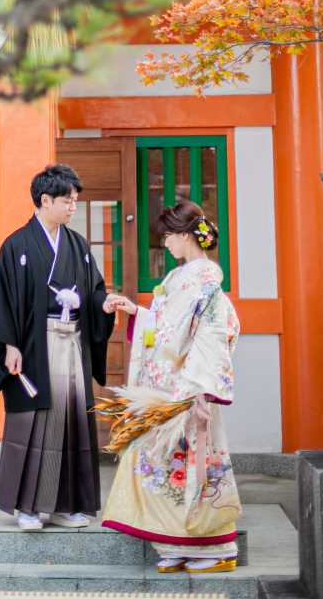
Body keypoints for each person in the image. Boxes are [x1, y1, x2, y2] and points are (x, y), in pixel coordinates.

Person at [101, 200, 242, 574]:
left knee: (192, 467)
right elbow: (163, 326)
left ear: (184, 235)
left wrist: (197, 387)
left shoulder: (206, 279)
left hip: (187, 389)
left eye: (168, 237)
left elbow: (213, 334)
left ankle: (213, 547)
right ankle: (177, 541)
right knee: (160, 468)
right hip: (165, 387)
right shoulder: (179, 277)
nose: (165, 244)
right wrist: (135, 312)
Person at [0, 162, 119, 530]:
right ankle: (28, 507)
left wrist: (102, 305)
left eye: (75, 200)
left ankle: (64, 506)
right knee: (35, 423)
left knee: (71, 421)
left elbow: (93, 292)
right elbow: (2, 301)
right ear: (45, 200)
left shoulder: (77, 244)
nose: (73, 207)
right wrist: (9, 344)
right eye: (68, 201)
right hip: (33, 347)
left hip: (72, 343)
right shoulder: (16, 245)